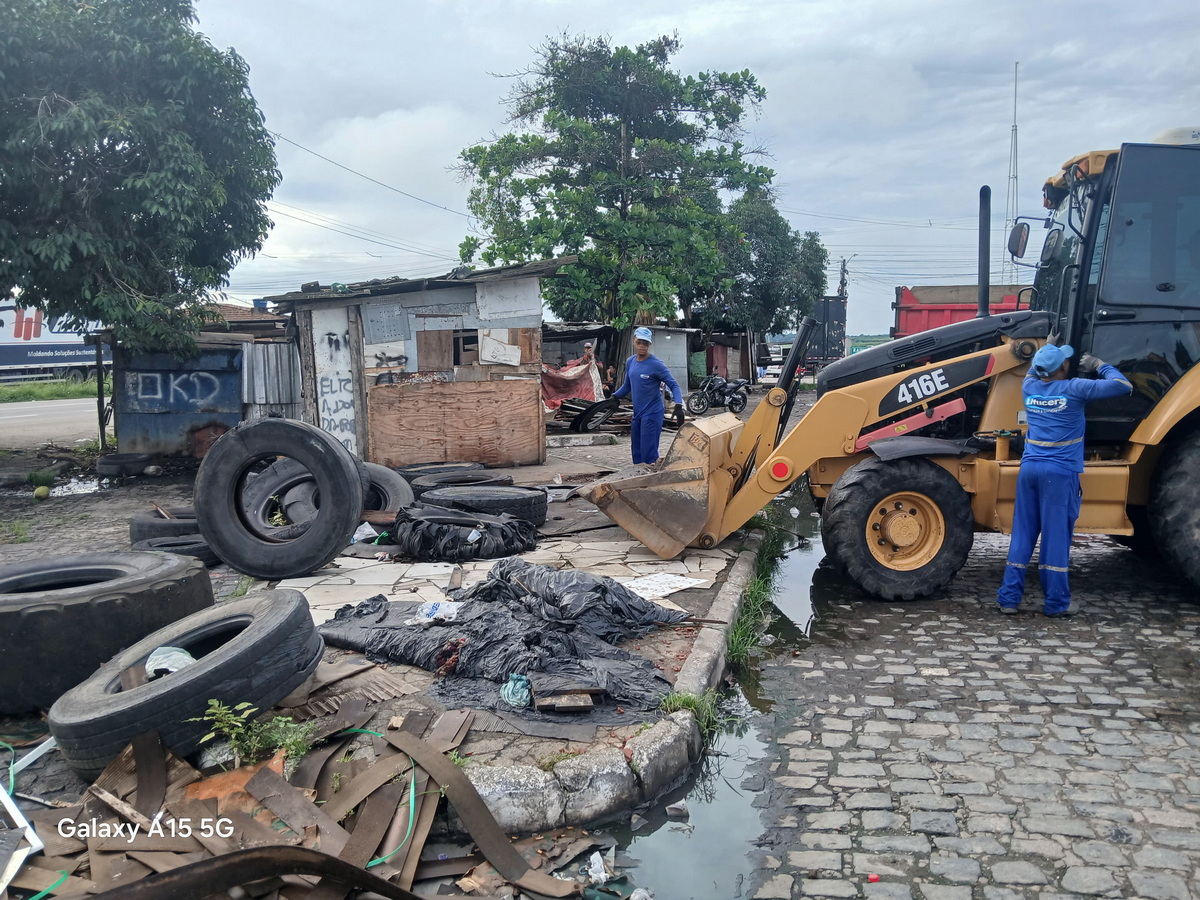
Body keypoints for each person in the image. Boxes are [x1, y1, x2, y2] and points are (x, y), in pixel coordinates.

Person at [996, 343, 1131, 617]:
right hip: (1059, 473)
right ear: (1063, 367)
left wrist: (1043, 351)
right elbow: (1122, 386)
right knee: (1055, 538)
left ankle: (1008, 599)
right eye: (1065, 361)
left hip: (1030, 469)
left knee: (1022, 535)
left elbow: (1034, 371)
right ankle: (1056, 603)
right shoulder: (1075, 388)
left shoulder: (1029, 388)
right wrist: (1098, 365)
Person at [612, 326, 684, 465]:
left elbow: (674, 385)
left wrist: (679, 404)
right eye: (639, 342)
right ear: (634, 341)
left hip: (652, 413)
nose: (642, 346)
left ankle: (649, 482)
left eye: (645, 343)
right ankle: (638, 481)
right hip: (637, 413)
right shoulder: (630, 362)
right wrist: (614, 397)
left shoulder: (656, 365)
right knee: (637, 453)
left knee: (648, 454)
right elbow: (627, 385)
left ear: (649, 344)